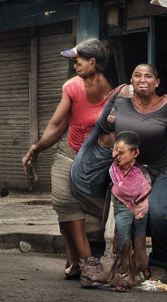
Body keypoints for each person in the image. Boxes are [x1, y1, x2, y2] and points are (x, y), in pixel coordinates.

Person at [23, 38, 116, 279]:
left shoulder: (117, 95)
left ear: (93, 63)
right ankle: (87, 263)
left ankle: (74, 260)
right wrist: (36, 148)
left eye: (79, 61)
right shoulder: (73, 87)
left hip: (97, 162)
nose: (75, 65)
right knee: (64, 203)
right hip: (69, 154)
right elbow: (57, 124)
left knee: (92, 217)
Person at [103, 63, 167, 272]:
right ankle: (128, 261)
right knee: (128, 216)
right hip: (131, 173)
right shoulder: (121, 104)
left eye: (148, 76)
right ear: (131, 81)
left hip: (164, 171)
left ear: (157, 82)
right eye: (137, 75)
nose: (142, 80)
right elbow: (105, 132)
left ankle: (161, 260)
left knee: (157, 212)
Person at [107, 131, 150, 289]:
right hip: (122, 207)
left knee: (140, 241)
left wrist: (141, 205)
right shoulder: (114, 171)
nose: (117, 156)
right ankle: (123, 275)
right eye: (115, 152)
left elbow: (145, 190)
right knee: (123, 239)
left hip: (140, 208)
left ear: (135, 153)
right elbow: (119, 189)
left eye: (121, 152)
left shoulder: (141, 172)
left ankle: (141, 270)